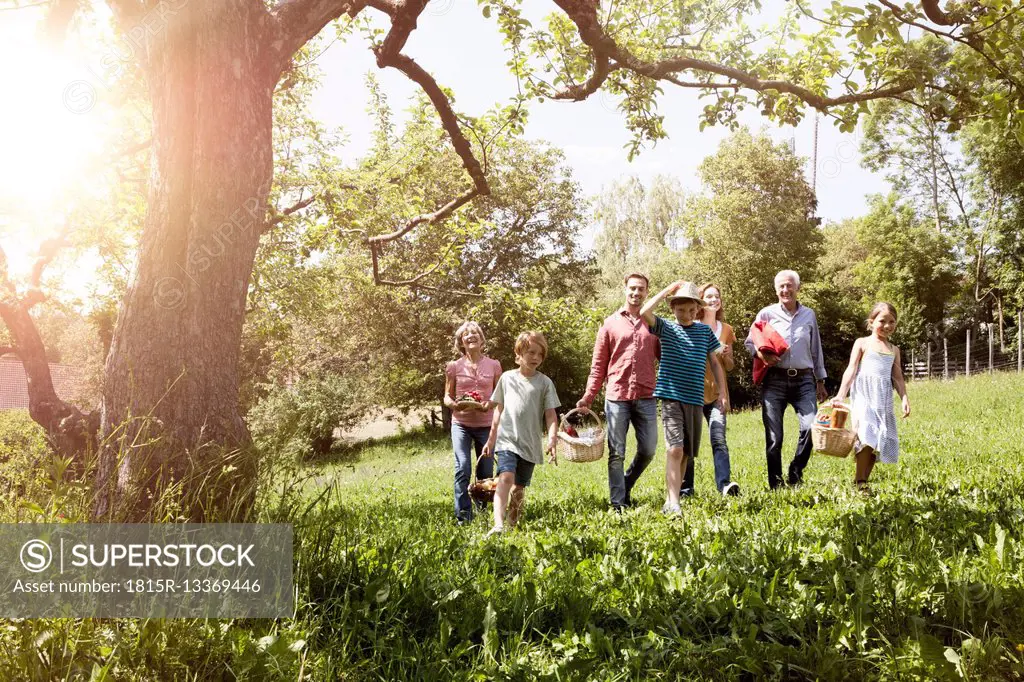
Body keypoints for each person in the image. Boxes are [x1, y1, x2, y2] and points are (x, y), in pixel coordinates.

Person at [640, 280, 729, 515]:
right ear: (673, 309)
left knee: (686, 453)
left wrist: (721, 392)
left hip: (695, 399)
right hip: (670, 397)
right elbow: (644, 312)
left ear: (697, 310)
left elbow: (716, 364)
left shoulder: (704, 332)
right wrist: (667, 291)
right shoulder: (666, 328)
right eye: (681, 310)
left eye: (691, 310)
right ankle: (674, 502)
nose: (686, 315)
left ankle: (672, 498)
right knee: (674, 449)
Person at [577, 273, 660, 511]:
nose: (636, 293)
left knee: (648, 450)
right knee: (617, 453)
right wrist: (588, 397)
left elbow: (666, 359)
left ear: (647, 292)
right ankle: (618, 503)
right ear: (624, 289)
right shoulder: (609, 324)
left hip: (646, 396)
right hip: (616, 398)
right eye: (632, 288)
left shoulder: (653, 324)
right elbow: (598, 366)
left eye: (641, 289)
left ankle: (624, 484)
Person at [744, 270, 829, 489]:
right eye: (781, 286)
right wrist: (762, 355)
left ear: (797, 288)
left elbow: (815, 348)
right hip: (774, 380)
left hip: (804, 381)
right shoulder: (766, 314)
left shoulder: (809, 315)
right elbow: (749, 342)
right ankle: (775, 484)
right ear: (776, 290)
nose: (785, 290)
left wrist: (820, 380)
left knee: (812, 427)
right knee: (774, 437)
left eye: (789, 286)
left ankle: (796, 470)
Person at [482, 331, 560, 536]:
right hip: (507, 440)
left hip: (530, 443)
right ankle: (498, 524)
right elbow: (498, 410)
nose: (535, 358)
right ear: (519, 354)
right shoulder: (507, 379)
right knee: (505, 477)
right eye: (531, 352)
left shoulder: (545, 383)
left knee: (518, 488)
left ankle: (511, 526)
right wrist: (491, 439)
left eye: (540, 354)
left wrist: (552, 439)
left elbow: (551, 416)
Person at [832, 302, 911, 493]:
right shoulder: (862, 343)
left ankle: (862, 482)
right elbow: (851, 369)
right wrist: (842, 394)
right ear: (871, 322)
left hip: (883, 398)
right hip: (864, 395)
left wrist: (904, 398)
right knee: (865, 435)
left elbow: (897, 377)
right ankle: (860, 481)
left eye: (892, 322)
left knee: (878, 439)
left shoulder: (894, 350)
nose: (887, 326)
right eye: (882, 321)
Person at [680, 283, 741, 497]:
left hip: (717, 393)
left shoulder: (726, 329)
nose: (714, 299)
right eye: (709, 296)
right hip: (693, 392)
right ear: (701, 301)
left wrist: (725, 356)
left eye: (717, 296)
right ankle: (686, 489)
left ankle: (724, 485)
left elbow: (730, 366)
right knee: (689, 442)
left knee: (718, 438)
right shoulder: (690, 325)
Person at [443, 321, 502, 525]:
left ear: (481, 338)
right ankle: (463, 518)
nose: (471, 335)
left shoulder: (494, 365)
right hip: (461, 424)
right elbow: (447, 398)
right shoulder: (453, 367)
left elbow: (499, 395)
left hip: (486, 424)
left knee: (486, 471)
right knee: (463, 468)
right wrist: (456, 406)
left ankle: (483, 512)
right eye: (466, 334)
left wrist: (488, 404)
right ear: (461, 341)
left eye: (475, 332)